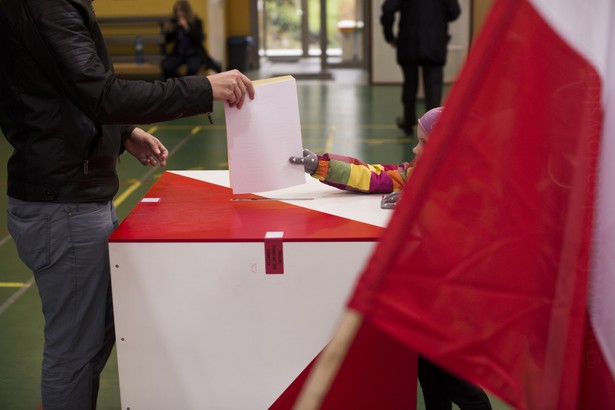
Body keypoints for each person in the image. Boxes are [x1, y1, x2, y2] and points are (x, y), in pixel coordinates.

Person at [0, 0, 254, 408]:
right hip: (64, 204)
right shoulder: (48, 7)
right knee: (74, 354)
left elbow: (61, 93)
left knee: (92, 340)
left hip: (74, 195)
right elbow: (101, 94)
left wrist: (122, 133)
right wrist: (204, 88)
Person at [290, 107, 493, 409]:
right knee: (428, 375)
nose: (415, 148)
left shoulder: (470, 184)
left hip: (454, 307)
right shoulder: (421, 172)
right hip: (427, 300)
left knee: (458, 384)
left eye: (423, 142)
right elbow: (375, 176)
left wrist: (418, 203)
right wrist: (319, 165)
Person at [381, 0, 461, 136]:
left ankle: (408, 122)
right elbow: (454, 12)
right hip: (435, 41)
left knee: (410, 84)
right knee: (434, 87)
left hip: (409, 41)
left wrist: (389, 36)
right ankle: (432, 127)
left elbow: (388, 9)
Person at [161, 0, 222, 79]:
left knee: (193, 68)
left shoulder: (196, 22)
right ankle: (179, 82)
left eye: (181, 10)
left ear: (186, 11)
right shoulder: (175, 23)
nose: (179, 13)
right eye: (177, 11)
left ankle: (187, 84)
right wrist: (170, 29)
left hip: (193, 53)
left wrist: (186, 27)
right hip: (179, 53)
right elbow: (168, 40)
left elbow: (198, 39)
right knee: (166, 66)